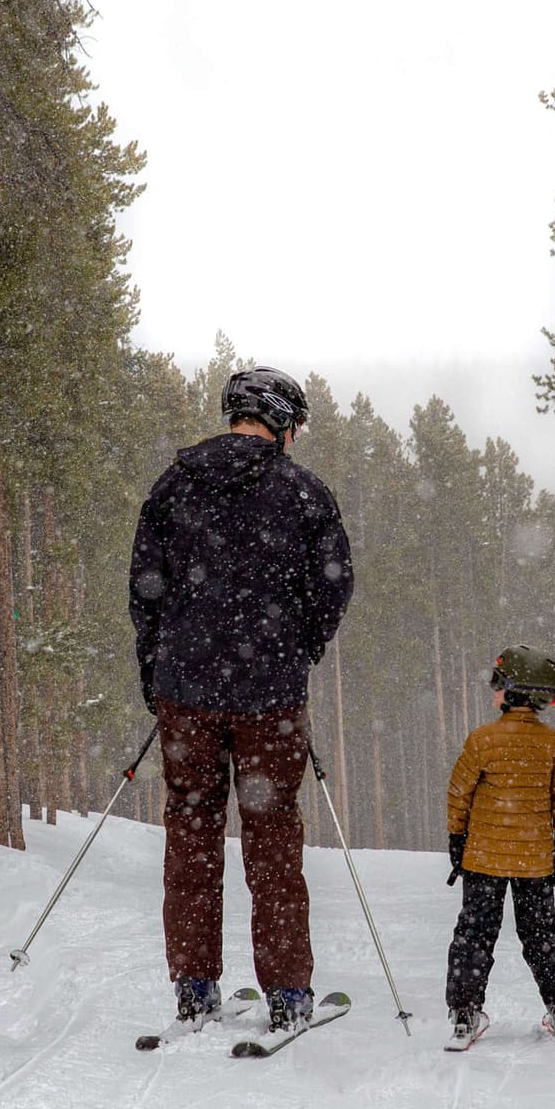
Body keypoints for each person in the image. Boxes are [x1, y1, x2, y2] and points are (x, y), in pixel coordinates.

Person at [129, 366, 354, 1034]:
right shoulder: (304, 492)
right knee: (272, 836)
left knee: (192, 833)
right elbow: (334, 586)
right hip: (268, 700)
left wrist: (160, 672)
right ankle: (287, 992)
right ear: (282, 421)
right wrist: (295, 649)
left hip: (187, 695)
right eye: (299, 426)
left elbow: (145, 591)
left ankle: (195, 989)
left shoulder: (173, 486)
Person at [444, 644, 555, 1047]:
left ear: (513, 691)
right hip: (534, 860)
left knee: (474, 933)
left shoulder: (482, 740)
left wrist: (457, 839)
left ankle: (465, 1012)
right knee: (542, 934)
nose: (492, 691)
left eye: (497, 684)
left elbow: (459, 794)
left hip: (483, 858)